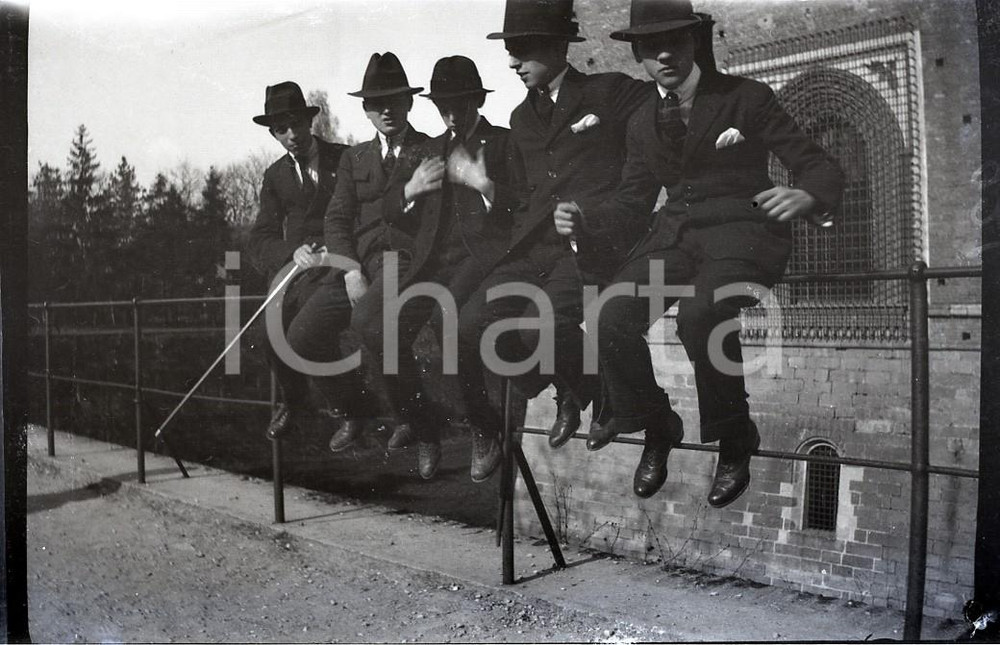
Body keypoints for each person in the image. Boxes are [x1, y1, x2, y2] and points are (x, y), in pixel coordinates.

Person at [558, 0, 845, 503]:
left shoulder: (745, 98)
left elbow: (815, 162)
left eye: (675, 41)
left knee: (700, 313)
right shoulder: (641, 121)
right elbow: (632, 201)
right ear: (640, 56)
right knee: (610, 314)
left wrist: (807, 194)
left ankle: (736, 437)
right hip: (675, 240)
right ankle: (657, 425)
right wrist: (584, 215)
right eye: (652, 46)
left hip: (744, 235)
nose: (665, 54)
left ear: (694, 42)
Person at [457, 0, 651, 453]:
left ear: (556, 46)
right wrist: (488, 188)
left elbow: (666, 106)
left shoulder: (610, 93)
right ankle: (571, 387)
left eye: (521, 51)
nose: (511, 63)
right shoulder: (522, 118)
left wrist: (598, 212)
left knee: (538, 326)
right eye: (510, 51)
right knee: (472, 323)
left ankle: (603, 398)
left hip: (585, 244)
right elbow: (526, 196)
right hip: (533, 246)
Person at [351, 55, 520, 482]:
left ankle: (484, 429)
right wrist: (409, 189)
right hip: (430, 263)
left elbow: (524, 205)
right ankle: (425, 428)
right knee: (379, 331)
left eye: (460, 104)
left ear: (477, 101)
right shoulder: (428, 150)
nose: (451, 114)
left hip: (479, 260)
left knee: (451, 325)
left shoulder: (501, 143)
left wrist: (485, 184)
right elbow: (389, 206)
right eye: (443, 106)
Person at [302, 52, 437, 474]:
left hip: (404, 262)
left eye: (395, 100)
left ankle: (422, 425)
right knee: (303, 335)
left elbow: (431, 220)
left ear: (410, 103)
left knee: (370, 325)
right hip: (356, 264)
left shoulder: (429, 151)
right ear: (365, 110)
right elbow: (337, 218)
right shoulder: (353, 159)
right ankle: (355, 409)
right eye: (376, 103)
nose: (386, 109)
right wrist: (349, 270)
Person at [246, 81, 371, 445]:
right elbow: (260, 237)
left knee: (306, 332)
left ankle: (350, 407)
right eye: (281, 129)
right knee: (266, 334)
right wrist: (291, 252)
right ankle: (295, 401)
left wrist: (339, 249)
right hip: (299, 271)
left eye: (296, 125)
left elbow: (365, 214)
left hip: (340, 262)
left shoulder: (346, 158)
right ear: (274, 134)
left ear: (309, 123)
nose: (291, 135)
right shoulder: (275, 176)